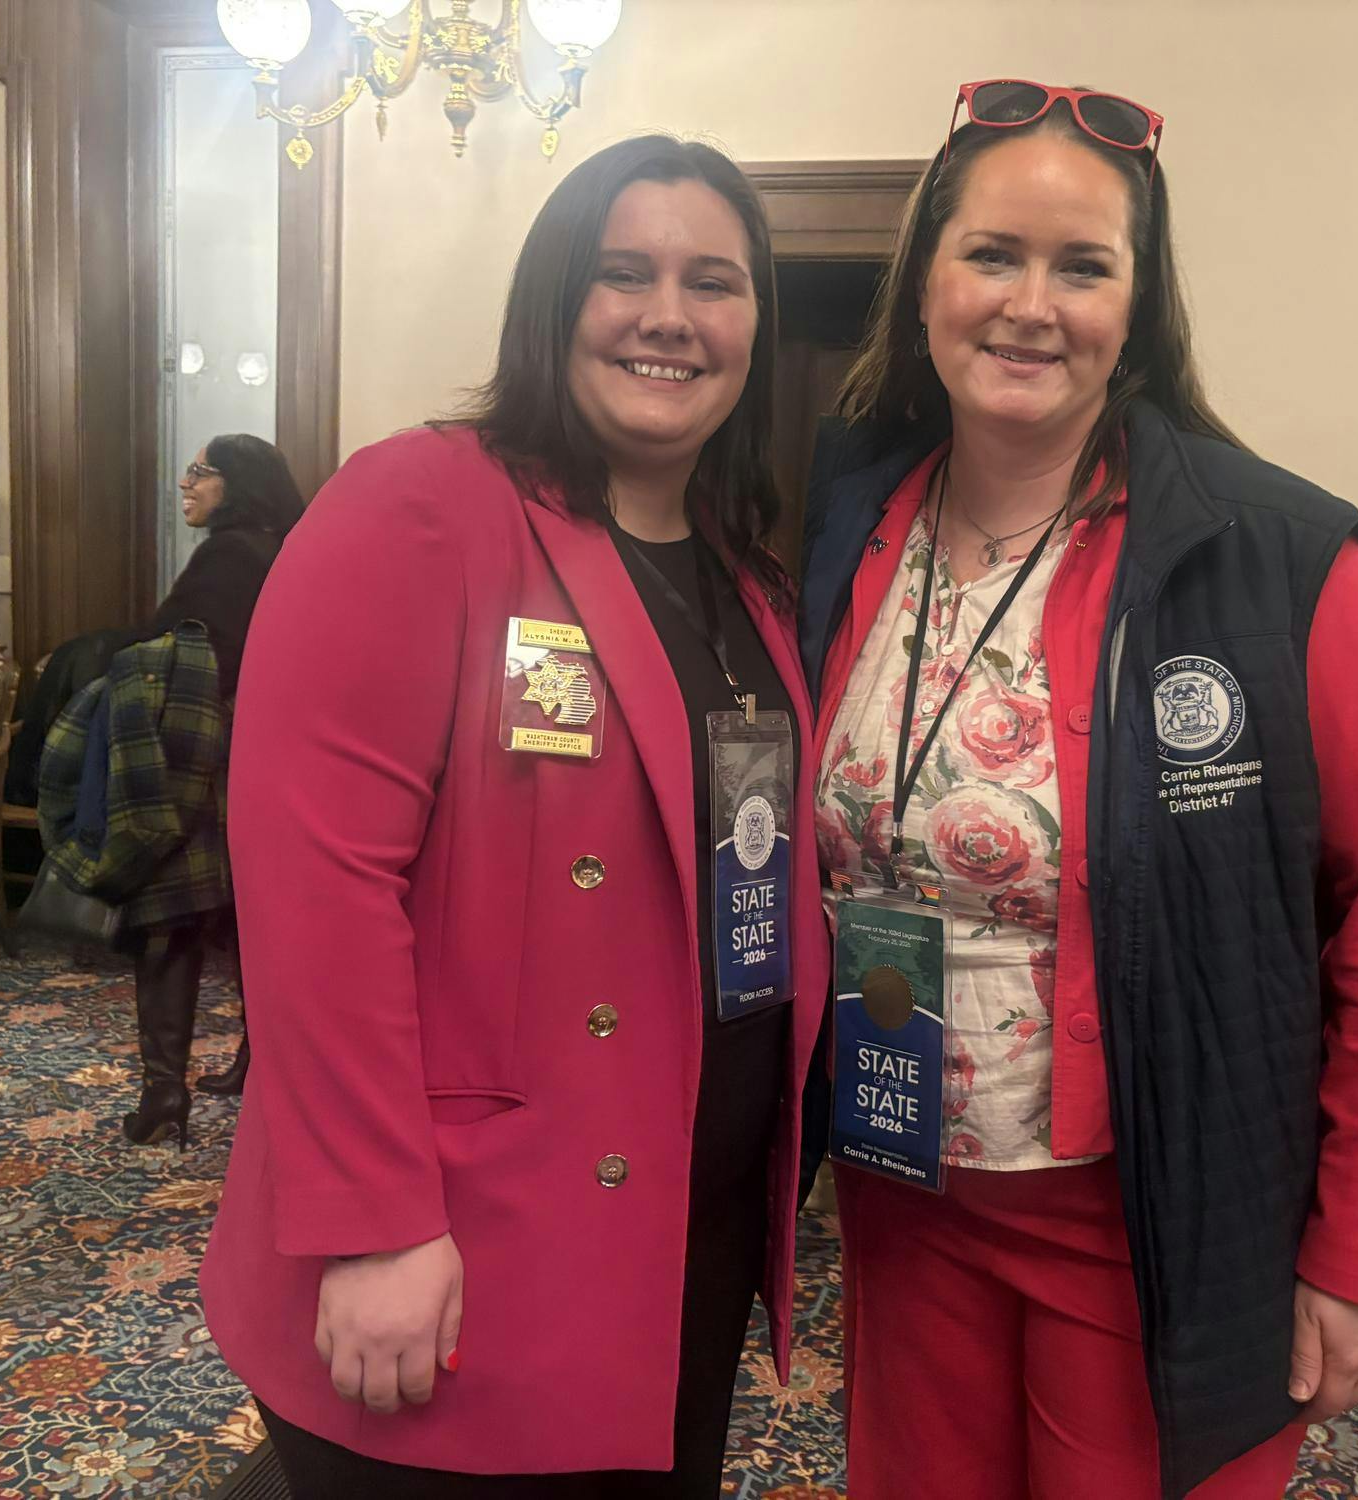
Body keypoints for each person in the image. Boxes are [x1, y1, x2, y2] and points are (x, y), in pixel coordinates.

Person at [798, 81, 1358, 1498]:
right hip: (901, 1187)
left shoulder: (1276, 560)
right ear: (923, 280)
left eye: (1082, 267)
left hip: (1154, 1214)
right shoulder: (844, 521)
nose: (1029, 305)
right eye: (992, 254)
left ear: (1138, 307)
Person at [200, 135, 829, 1499]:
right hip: (468, 1224)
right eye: (623, 273)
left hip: (685, 1214)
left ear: (755, 326)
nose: (669, 315)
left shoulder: (746, 578)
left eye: (713, 282)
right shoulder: (422, 505)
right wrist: (373, 1222)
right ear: (553, 301)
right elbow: (317, 887)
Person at [121, 434, 304, 1143]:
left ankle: (164, 1092)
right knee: (257, 923)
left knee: (170, 921)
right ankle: (258, 1064)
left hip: (203, 762)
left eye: (201, 471)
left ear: (238, 484)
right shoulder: (288, 548)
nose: (185, 481)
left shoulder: (228, 555)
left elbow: (169, 653)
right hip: (269, 761)